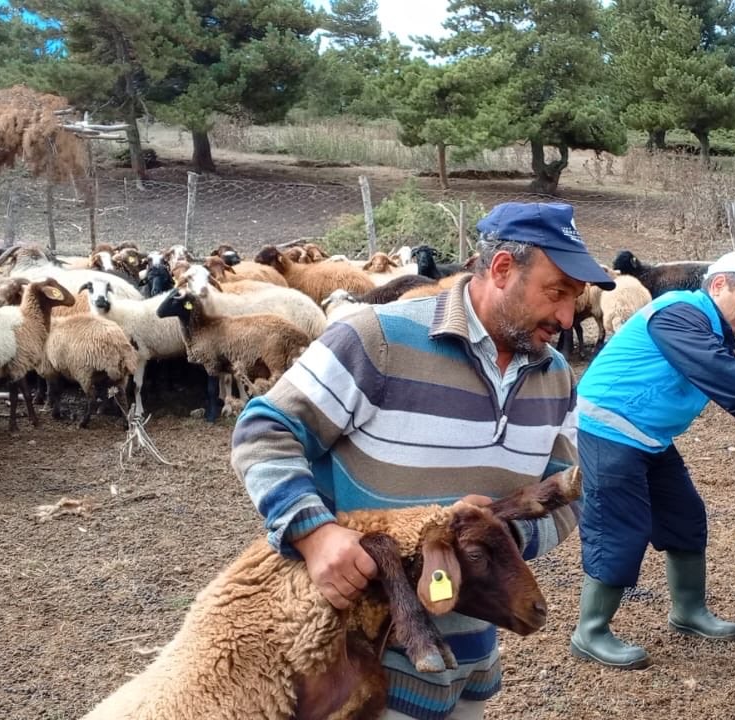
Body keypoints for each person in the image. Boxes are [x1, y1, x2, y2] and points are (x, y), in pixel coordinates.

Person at [231, 201, 616, 720]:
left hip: (470, 658)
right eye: (556, 292)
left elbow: (565, 492)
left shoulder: (554, 378)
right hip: (358, 668)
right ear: (502, 269)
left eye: (575, 298)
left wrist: (492, 545)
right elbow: (265, 429)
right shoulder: (377, 340)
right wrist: (314, 534)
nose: (568, 317)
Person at [568, 251, 735, 670]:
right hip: (609, 429)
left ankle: (688, 612)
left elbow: (722, 374)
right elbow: (720, 376)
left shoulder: (706, 327)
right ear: (718, 286)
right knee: (620, 525)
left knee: (685, 515)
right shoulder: (679, 313)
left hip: (647, 436)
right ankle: (589, 632)